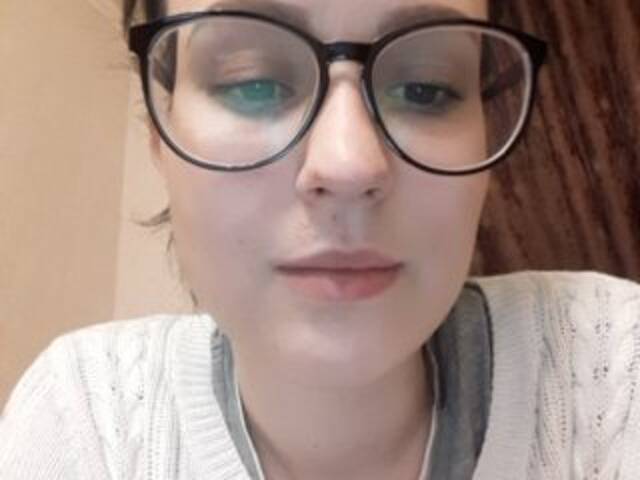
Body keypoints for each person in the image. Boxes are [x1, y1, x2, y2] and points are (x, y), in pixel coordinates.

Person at [1, 1, 639, 479]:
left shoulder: (617, 376)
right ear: (158, 137)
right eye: (253, 80)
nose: (348, 165)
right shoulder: (83, 423)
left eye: (425, 88)